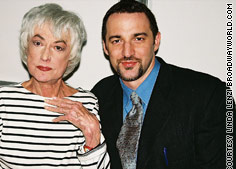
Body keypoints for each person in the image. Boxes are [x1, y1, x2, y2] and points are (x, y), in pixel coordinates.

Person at [0, 3, 110, 169]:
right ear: (27, 47)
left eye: (58, 47)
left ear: (71, 56)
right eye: (38, 43)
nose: (45, 56)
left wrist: (92, 136)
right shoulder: (2, 102)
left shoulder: (86, 103)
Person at [90, 0, 233, 169]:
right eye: (117, 41)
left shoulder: (209, 96)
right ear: (105, 47)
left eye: (138, 38)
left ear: (156, 41)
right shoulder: (98, 96)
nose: (127, 52)